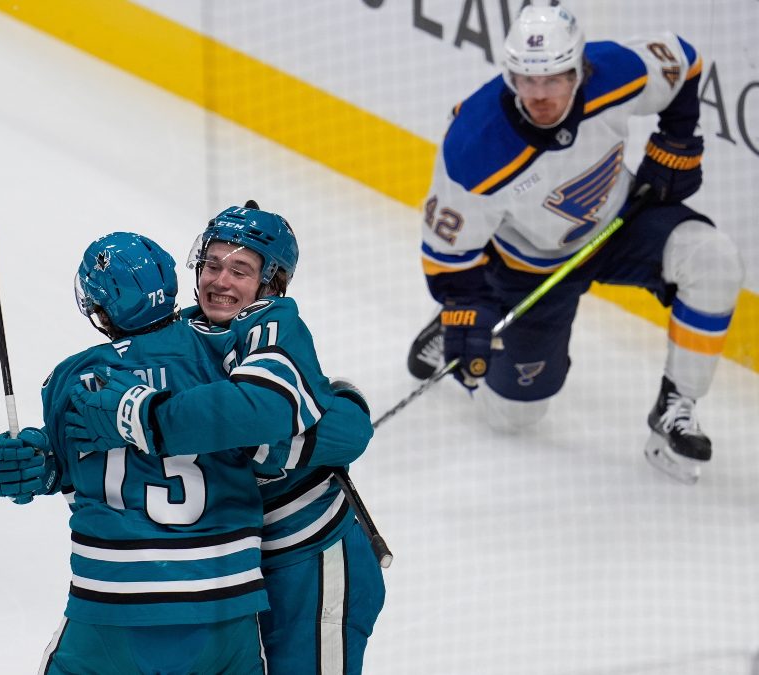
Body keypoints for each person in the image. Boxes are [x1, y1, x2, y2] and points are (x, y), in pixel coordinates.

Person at [405, 2, 744, 484]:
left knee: (713, 260)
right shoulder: (475, 147)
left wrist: (677, 139)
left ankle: (676, 408)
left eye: (555, 78)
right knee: (514, 417)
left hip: (620, 221)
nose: (540, 95)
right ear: (510, 75)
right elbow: (447, 256)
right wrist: (464, 305)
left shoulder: (614, 72)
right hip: (530, 266)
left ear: (580, 68)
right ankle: (454, 330)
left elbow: (683, 60)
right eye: (526, 79)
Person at [65, 204, 386, 673]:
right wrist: (49, 455)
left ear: (269, 282)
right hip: (235, 572)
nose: (221, 281)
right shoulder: (182, 331)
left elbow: (343, 431)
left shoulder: (272, 325)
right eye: (212, 265)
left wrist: (152, 418)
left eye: (241, 270)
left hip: (311, 557)